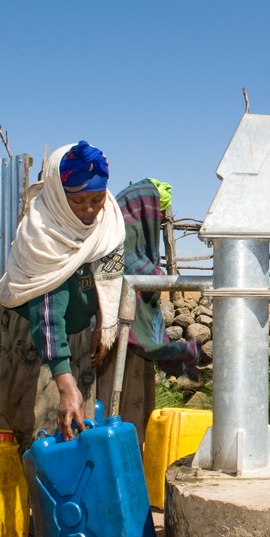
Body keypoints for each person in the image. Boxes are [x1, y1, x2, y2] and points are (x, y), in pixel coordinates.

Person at [0, 141, 125, 453]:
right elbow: (48, 314)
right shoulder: (43, 233)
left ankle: (65, 499)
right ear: (60, 196)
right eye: (78, 201)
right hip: (33, 336)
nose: (89, 209)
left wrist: (103, 324)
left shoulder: (109, 222)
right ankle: (28, 501)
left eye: (97, 198)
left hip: (74, 334)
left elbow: (109, 278)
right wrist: (66, 381)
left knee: (77, 433)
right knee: (35, 437)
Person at [95, 177, 201, 445]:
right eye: (158, 216)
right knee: (117, 411)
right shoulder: (116, 241)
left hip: (123, 345)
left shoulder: (117, 234)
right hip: (115, 343)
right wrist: (154, 276)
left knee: (130, 408)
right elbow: (129, 276)